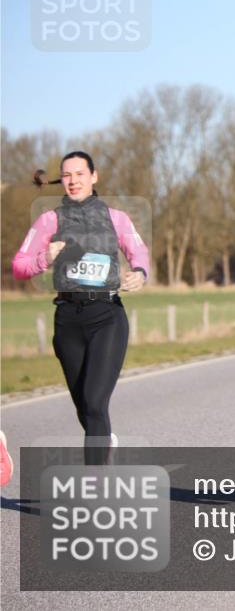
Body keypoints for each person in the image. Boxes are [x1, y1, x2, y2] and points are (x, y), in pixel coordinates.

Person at [12, 151, 150, 465]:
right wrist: (43, 259)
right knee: (84, 408)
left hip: (107, 316)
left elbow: (138, 252)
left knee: (95, 401)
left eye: (80, 174)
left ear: (94, 176)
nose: (73, 181)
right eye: (67, 175)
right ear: (61, 180)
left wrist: (140, 273)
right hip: (68, 319)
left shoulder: (117, 218)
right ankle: (104, 441)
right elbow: (19, 266)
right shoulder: (49, 220)